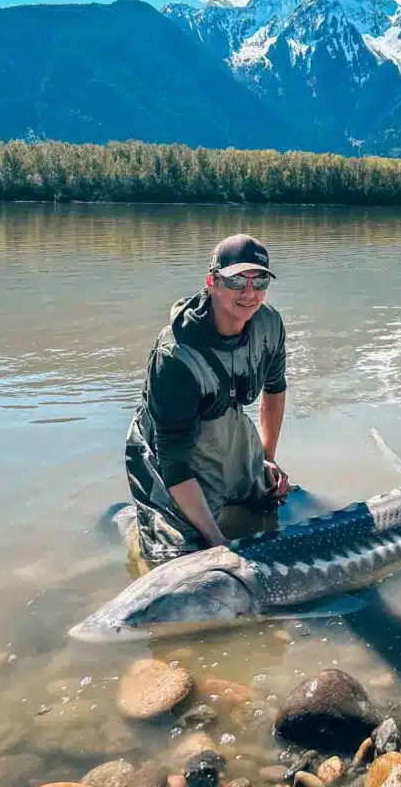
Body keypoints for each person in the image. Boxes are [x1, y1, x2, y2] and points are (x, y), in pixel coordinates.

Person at [125, 232, 289, 568]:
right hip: (167, 443)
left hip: (224, 419)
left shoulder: (269, 324)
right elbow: (175, 464)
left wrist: (265, 460)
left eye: (259, 281)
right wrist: (218, 545)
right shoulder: (176, 355)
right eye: (236, 281)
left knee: (272, 498)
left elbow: (274, 390)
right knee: (177, 558)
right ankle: (139, 520)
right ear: (212, 282)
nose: (249, 293)